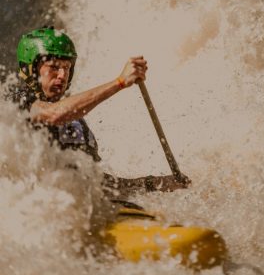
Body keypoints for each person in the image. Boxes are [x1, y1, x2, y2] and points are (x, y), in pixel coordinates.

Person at [11, 26, 190, 196]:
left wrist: (154, 184)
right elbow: (54, 114)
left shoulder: (75, 122)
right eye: (54, 67)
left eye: (66, 68)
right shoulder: (15, 100)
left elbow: (100, 185)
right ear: (30, 69)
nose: (62, 75)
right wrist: (119, 82)